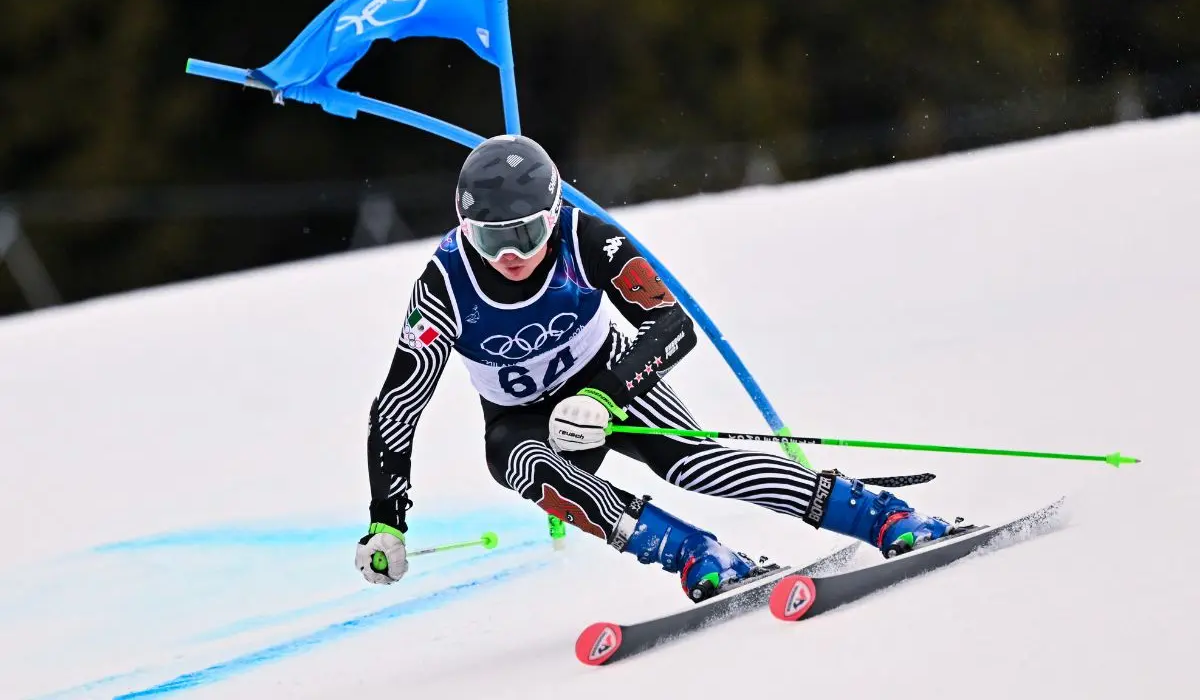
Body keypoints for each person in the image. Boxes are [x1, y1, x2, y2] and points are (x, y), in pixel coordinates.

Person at [355, 134, 963, 601]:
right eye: (492, 240)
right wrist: (388, 522)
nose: (511, 256)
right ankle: (696, 554)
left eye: (528, 233)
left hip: (609, 377)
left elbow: (673, 326)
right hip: (522, 420)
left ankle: (883, 517)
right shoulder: (445, 286)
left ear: (554, 209)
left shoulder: (585, 238)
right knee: (529, 468)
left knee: (694, 462)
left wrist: (608, 399)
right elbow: (397, 405)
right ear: (465, 229)